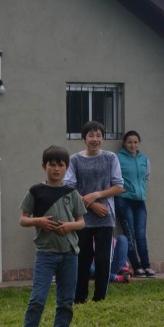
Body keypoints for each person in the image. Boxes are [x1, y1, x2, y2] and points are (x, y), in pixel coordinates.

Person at [9, 146, 86, 327]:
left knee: (66, 301)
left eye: (61, 165)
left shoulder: (72, 193)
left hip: (69, 254)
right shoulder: (35, 191)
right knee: (37, 300)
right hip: (45, 254)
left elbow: (81, 222)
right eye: (52, 164)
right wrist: (39, 221)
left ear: (66, 168)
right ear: (44, 166)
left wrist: (70, 226)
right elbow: (23, 219)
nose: (56, 169)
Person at [64, 121, 124, 303]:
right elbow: (68, 187)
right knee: (82, 258)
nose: (95, 139)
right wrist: (90, 204)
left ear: (103, 138)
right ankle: (80, 297)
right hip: (81, 217)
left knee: (103, 258)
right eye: (91, 135)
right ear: (84, 139)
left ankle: (100, 297)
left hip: (105, 217)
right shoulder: (74, 160)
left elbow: (119, 186)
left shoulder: (111, 158)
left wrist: (97, 195)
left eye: (98, 135)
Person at [116, 130, 154, 277]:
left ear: (139, 143)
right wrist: (123, 189)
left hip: (139, 201)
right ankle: (136, 266)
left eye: (135, 142)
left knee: (141, 234)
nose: (133, 145)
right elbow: (114, 178)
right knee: (130, 234)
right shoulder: (118, 158)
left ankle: (147, 266)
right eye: (129, 142)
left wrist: (139, 189)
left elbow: (147, 178)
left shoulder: (144, 159)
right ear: (125, 144)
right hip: (123, 200)